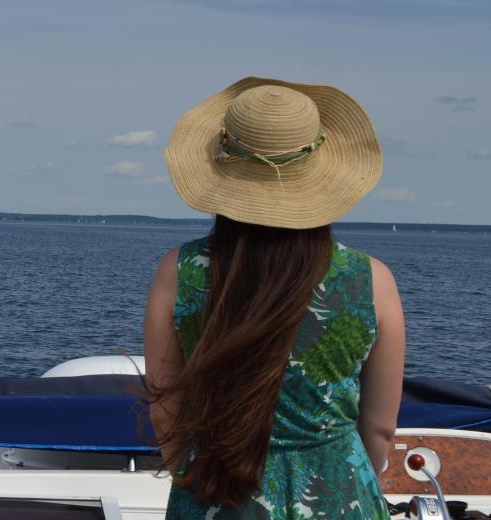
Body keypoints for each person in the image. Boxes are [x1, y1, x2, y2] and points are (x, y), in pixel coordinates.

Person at [143, 77, 406, 519]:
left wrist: (190, 476)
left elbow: (165, 410)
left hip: (216, 490)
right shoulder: (372, 280)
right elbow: (380, 428)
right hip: (338, 493)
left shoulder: (179, 271)